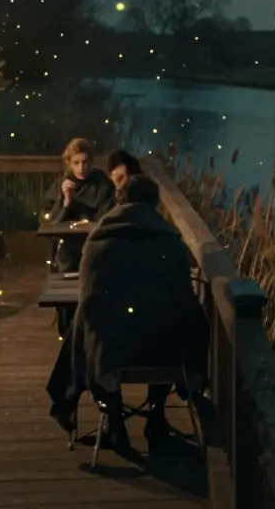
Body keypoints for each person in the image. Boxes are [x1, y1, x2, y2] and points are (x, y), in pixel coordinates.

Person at [47, 176, 208, 452]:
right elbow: (182, 300)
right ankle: (156, 413)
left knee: (86, 322)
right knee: (174, 319)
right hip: (164, 353)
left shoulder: (99, 243)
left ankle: (112, 418)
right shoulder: (170, 244)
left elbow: (90, 299)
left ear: (119, 201)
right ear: (154, 204)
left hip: (111, 354)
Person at [45, 137, 115, 273]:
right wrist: (66, 201)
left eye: (85, 162)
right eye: (76, 163)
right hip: (70, 242)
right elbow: (52, 222)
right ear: (69, 163)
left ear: (91, 161)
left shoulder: (102, 184)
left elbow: (107, 216)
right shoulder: (63, 184)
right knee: (64, 259)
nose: (81, 168)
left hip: (96, 240)